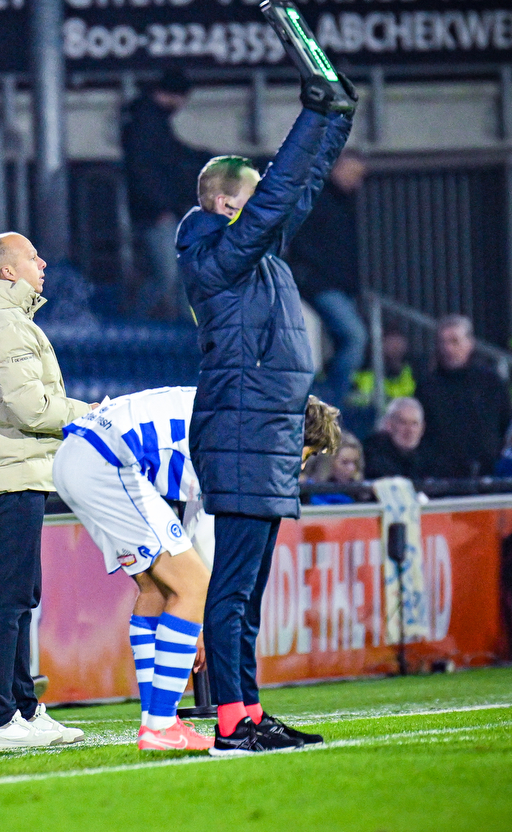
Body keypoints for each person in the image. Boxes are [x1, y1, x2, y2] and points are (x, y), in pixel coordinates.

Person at [177, 74, 355, 755]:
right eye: (250, 201)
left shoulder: (254, 259)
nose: (265, 213)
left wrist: (336, 123)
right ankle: (231, 722)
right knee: (232, 591)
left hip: (264, 433)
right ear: (227, 204)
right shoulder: (217, 257)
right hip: (241, 432)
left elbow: (296, 191)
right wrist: (313, 115)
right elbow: (281, 192)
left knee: (248, 593)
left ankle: (249, 711)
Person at [56, 391, 342, 750]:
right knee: (192, 587)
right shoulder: (244, 442)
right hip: (107, 462)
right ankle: (161, 726)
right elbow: (206, 528)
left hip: (78, 454)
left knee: (156, 589)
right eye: (308, 454)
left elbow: (195, 515)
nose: (300, 467)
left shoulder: (234, 413)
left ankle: (155, 722)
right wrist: (203, 618)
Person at [0, 232, 89, 750]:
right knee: (10, 599)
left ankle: (23, 709)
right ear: (7, 272)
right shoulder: (4, 323)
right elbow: (31, 409)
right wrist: (90, 414)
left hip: (4, 471)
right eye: (31, 257)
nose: (42, 262)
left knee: (20, 596)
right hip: (7, 472)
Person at [120, 69, 208, 320]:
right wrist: (160, 207)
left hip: (157, 210)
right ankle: (133, 326)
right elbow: (147, 170)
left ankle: (175, 325)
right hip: (157, 213)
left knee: (172, 275)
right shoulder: (148, 124)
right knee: (166, 276)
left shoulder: (145, 119)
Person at [288, 150, 368, 406]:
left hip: (338, 285)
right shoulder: (315, 197)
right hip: (320, 283)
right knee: (355, 337)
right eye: (353, 173)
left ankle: (330, 394)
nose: (357, 181)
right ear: (337, 168)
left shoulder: (346, 202)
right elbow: (302, 242)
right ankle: (333, 398)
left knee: (346, 340)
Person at [415, 315, 512, 478]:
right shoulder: (427, 387)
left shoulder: (491, 382)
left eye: (454, 341)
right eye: (443, 342)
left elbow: (508, 424)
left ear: (470, 343)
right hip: (443, 478)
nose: (448, 348)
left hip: (489, 475)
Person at [363, 397, 427, 480]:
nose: (409, 430)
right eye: (403, 423)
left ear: (422, 428)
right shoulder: (370, 455)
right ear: (389, 424)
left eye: (414, 424)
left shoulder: (431, 457)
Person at [351, 328, 416, 407]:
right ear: (380, 344)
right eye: (392, 343)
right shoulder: (361, 370)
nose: (396, 348)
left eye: (398, 344)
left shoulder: (411, 372)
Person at [304, 432, 363, 504]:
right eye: (345, 462)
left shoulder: (362, 494)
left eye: (355, 462)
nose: (352, 468)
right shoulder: (306, 492)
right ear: (328, 463)